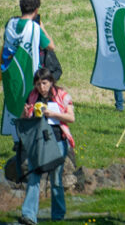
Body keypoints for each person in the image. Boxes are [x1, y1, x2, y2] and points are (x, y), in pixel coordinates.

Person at [19, 67, 74, 225]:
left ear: (51, 82)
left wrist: (53, 114)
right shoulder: (32, 96)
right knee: (35, 176)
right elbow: (24, 119)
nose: (41, 87)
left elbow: (71, 117)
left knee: (56, 178)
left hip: (57, 140)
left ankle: (58, 215)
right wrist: (25, 113)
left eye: (44, 83)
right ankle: (29, 215)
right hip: (38, 141)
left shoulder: (61, 95)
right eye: (38, 84)